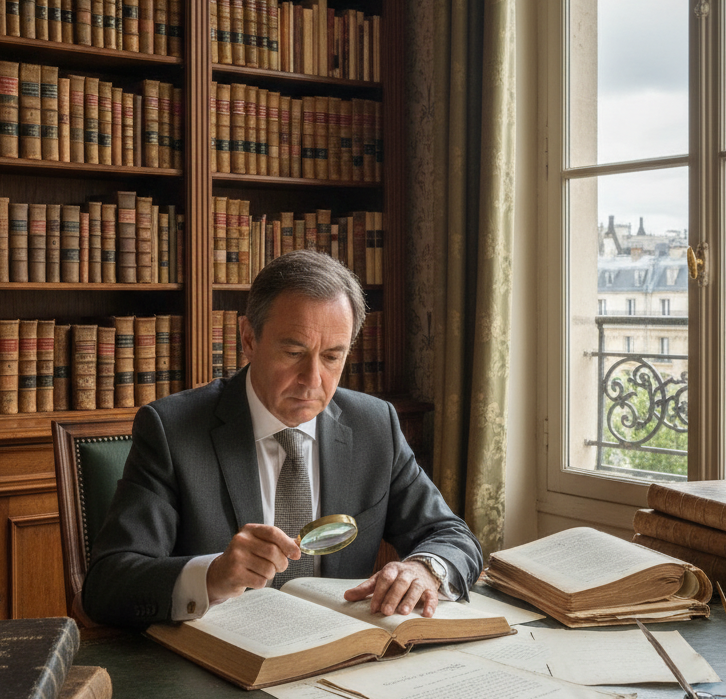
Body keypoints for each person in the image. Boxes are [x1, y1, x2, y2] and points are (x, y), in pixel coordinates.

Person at [81, 250, 483, 628]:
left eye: (332, 357)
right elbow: (107, 585)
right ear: (249, 339)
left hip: (341, 656)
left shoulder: (374, 426)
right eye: (293, 353)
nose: (313, 381)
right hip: (221, 669)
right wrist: (212, 575)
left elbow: (452, 537)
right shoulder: (173, 430)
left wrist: (423, 568)